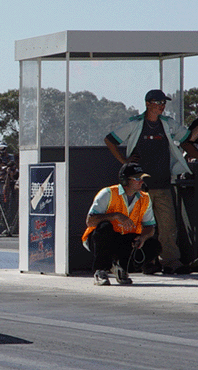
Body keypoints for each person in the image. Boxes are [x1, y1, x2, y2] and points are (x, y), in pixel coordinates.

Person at [105, 89, 198, 274]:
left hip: (163, 183)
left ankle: (170, 262)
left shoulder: (168, 124)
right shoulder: (135, 124)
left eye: (164, 103)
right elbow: (110, 140)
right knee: (142, 226)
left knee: (168, 225)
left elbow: (187, 138)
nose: (161, 106)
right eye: (158, 103)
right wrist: (125, 162)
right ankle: (144, 262)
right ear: (148, 104)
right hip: (140, 187)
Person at [82, 163, 162, 285]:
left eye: (142, 178)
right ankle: (100, 271)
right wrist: (115, 216)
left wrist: (143, 237)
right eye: (137, 178)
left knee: (154, 246)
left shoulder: (145, 198)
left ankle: (121, 268)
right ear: (125, 180)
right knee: (105, 227)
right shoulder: (108, 193)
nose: (141, 182)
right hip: (100, 239)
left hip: (126, 239)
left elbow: (150, 226)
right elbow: (90, 221)